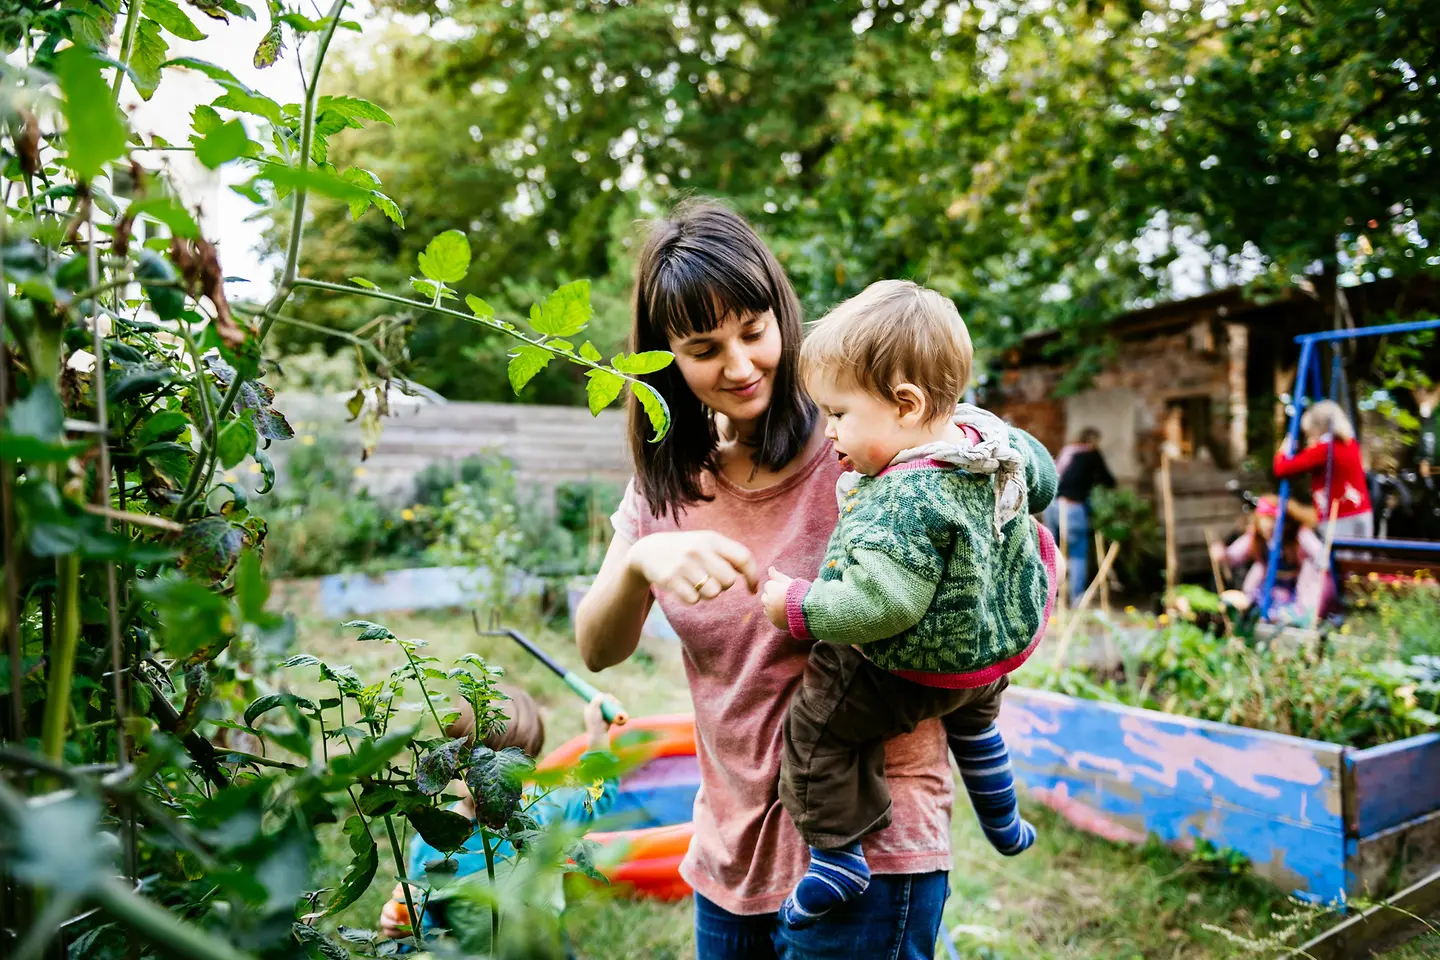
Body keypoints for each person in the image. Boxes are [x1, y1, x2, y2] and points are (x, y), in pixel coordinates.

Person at [576, 201, 1043, 959]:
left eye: (753, 331)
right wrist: (638, 563)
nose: (739, 365)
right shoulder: (666, 485)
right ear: (665, 358)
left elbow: (991, 509)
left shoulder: (870, 444)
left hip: (873, 850)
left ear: (783, 318)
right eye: (704, 348)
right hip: (727, 853)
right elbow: (598, 650)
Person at [757, 281, 1058, 928]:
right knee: (977, 726)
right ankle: (1003, 818)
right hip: (986, 661)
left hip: (913, 673)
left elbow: (880, 606)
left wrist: (795, 604)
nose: (828, 431)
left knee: (817, 733)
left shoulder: (901, 498)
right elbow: (1043, 481)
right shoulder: (987, 442)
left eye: (839, 414)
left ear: (906, 404)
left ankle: (837, 858)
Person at [378, 688, 620, 954]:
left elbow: (594, 796)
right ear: (451, 760)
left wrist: (598, 738)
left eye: (510, 770)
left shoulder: (542, 813)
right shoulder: (433, 845)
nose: (492, 781)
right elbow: (425, 920)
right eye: (478, 765)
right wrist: (406, 925)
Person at [1209, 495, 1331, 624]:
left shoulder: (1299, 535)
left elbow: (1320, 553)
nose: (1267, 533)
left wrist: (1322, 563)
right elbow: (1234, 555)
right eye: (1264, 529)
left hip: (1295, 588)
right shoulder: (1256, 537)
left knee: (1290, 615)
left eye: (1272, 528)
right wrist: (1223, 554)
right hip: (1267, 587)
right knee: (1255, 610)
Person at [1273, 400, 1373, 543]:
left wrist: (1284, 450)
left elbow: (1282, 469)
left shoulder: (1324, 450)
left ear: (1318, 428)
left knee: (1338, 555)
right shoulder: (1351, 444)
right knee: (1361, 555)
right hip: (1362, 511)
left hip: (1339, 516)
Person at [1043, 427, 1114, 605]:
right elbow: (1108, 480)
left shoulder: (1068, 451)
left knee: (1052, 551)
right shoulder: (1092, 454)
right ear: (1093, 441)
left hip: (1051, 505)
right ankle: (1077, 598)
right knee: (1077, 553)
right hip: (1073, 507)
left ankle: (1048, 597)